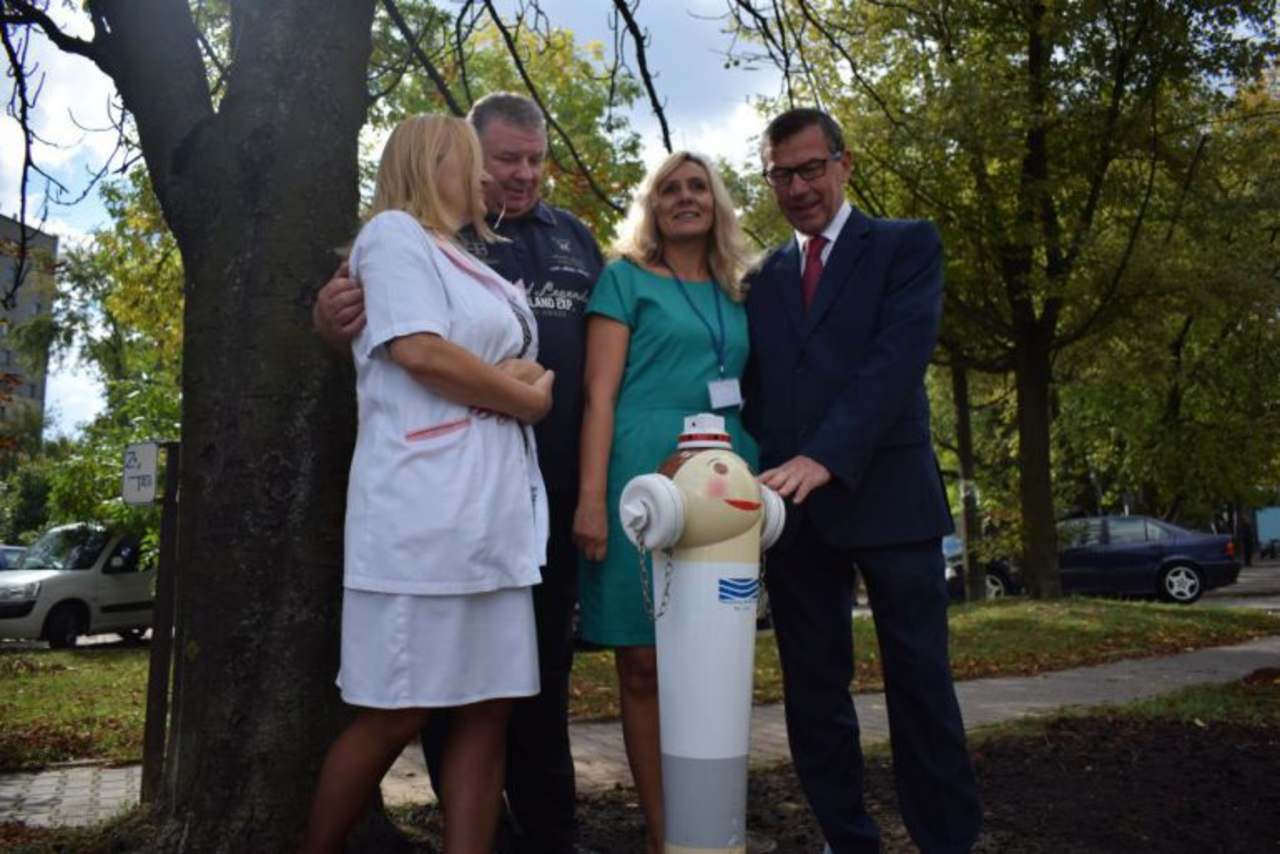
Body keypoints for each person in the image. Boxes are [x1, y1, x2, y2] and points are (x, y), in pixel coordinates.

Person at [313, 93, 602, 854]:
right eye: (480, 162)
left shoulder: (469, 258)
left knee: (489, 706)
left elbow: (505, 354)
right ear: (429, 164)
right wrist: (523, 398)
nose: (489, 179)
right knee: (397, 710)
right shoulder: (393, 235)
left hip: (496, 523)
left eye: (527, 160)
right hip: (426, 521)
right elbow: (419, 349)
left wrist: (515, 380)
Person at [743, 107, 983, 853]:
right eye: (781, 175)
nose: (798, 188)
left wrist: (826, 455)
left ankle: (946, 841)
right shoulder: (760, 278)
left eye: (811, 169)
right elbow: (751, 387)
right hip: (796, 514)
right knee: (814, 694)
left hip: (891, 499)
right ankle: (846, 840)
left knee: (920, 684)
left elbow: (895, 361)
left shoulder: (907, 245)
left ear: (843, 164)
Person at [573, 150, 756, 854]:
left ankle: (712, 818)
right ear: (652, 205)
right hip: (640, 480)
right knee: (643, 662)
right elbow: (599, 397)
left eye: (698, 187)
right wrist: (592, 500)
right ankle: (664, 834)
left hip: (724, 483)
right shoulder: (623, 279)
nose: (685, 197)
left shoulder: (737, 288)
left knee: (714, 657)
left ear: (716, 202)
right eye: (670, 188)